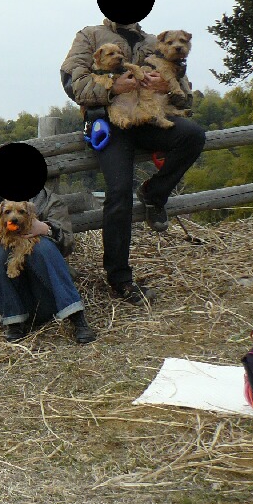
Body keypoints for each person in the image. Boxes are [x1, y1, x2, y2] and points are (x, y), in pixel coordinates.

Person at [61, 18, 205, 304]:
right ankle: (120, 279)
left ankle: (154, 194)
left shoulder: (154, 41)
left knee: (193, 135)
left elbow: (184, 97)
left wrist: (168, 87)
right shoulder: (89, 36)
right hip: (110, 122)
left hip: (148, 117)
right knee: (119, 192)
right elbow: (72, 84)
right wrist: (113, 88)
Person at [0, 185, 96, 343]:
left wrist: (47, 229)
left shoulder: (46, 199)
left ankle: (76, 316)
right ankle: (14, 322)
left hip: (47, 292)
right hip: (8, 294)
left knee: (42, 246)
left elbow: (68, 243)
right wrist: (1, 239)